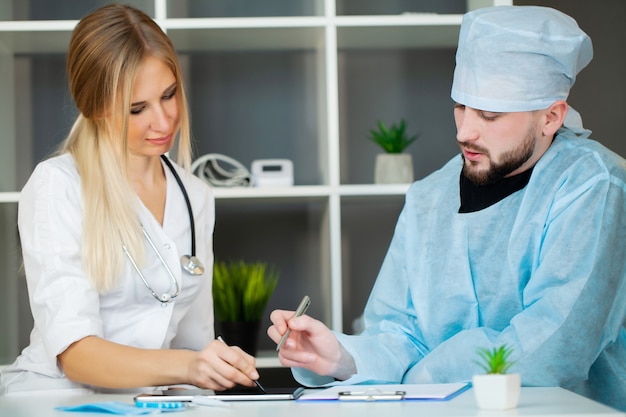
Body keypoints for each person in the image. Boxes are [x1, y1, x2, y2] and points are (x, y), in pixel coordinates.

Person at [268, 5, 626, 412]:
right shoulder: (429, 196)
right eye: (461, 106)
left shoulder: (594, 184)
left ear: (550, 117)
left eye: (489, 115)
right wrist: (341, 357)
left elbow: (555, 343)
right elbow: (400, 332)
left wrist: (425, 375)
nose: (464, 132)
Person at [0, 3, 260, 394]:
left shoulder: (196, 196)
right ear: (94, 108)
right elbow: (76, 354)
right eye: (137, 108)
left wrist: (214, 371)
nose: (164, 120)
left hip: (149, 403)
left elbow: (193, 343)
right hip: (57, 398)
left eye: (169, 95)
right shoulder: (58, 186)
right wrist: (189, 366)